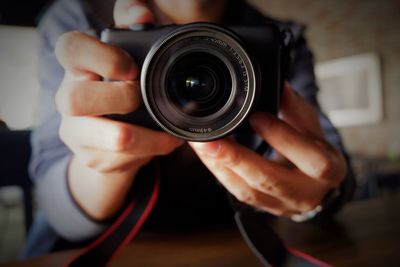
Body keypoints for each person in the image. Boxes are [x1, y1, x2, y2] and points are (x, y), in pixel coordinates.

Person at [23, 0, 355, 258]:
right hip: (104, 251)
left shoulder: (281, 38)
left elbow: (334, 168)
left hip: (237, 246)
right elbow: (55, 209)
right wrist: (105, 163)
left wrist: (315, 194)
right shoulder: (82, 16)